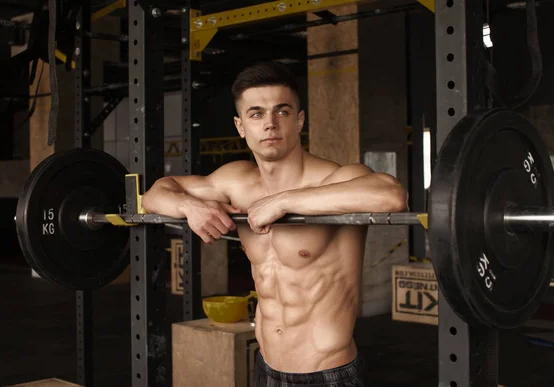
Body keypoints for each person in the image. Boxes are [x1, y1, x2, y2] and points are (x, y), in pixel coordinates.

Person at [142, 61, 407, 387]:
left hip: (326, 372)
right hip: (266, 366)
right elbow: (154, 194)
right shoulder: (236, 180)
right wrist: (189, 206)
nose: (270, 123)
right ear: (240, 126)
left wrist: (285, 201)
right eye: (256, 114)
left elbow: (391, 195)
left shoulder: (335, 179)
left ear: (299, 120)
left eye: (281, 112)